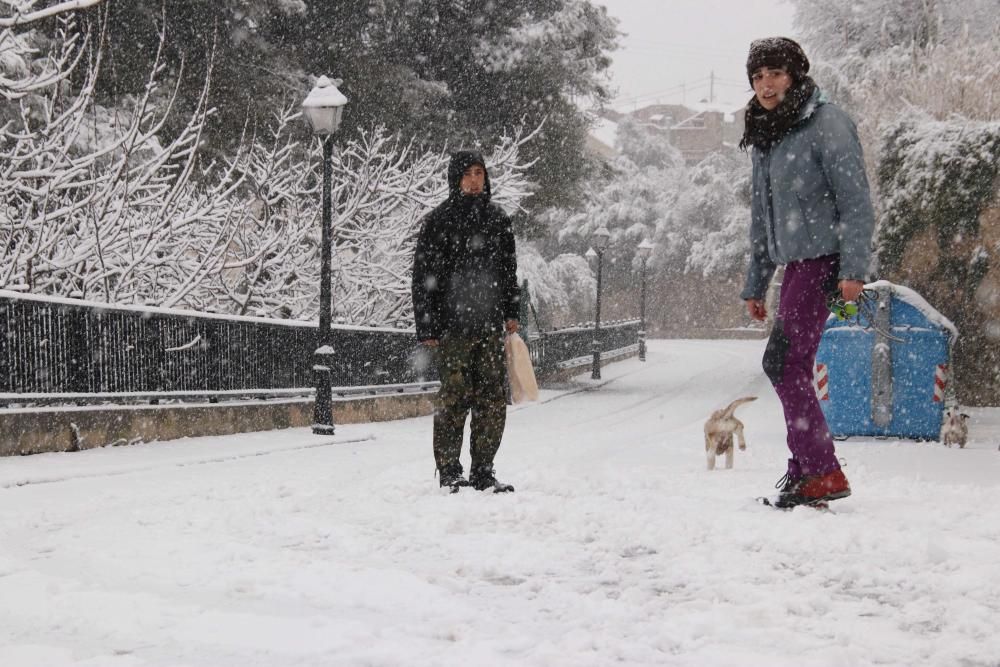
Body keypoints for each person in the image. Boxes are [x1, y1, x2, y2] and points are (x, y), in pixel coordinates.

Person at [739, 37, 876, 508]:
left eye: (774, 73)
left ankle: (820, 470)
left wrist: (853, 270)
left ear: (795, 74)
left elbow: (856, 203)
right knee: (790, 362)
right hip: (795, 265)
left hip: (828, 263)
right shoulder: (765, 132)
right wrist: (756, 282)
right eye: (757, 76)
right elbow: (761, 216)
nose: (765, 84)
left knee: (783, 362)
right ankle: (804, 470)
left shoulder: (826, 122)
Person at [411, 150, 520, 492]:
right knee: (454, 398)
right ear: (455, 179)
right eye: (467, 175)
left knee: (491, 398)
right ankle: (448, 471)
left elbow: (508, 271)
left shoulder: (498, 220)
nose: (474, 181)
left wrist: (512, 312)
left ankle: (483, 470)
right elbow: (423, 277)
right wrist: (427, 326)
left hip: (488, 326)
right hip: (452, 327)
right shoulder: (438, 222)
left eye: (479, 173)